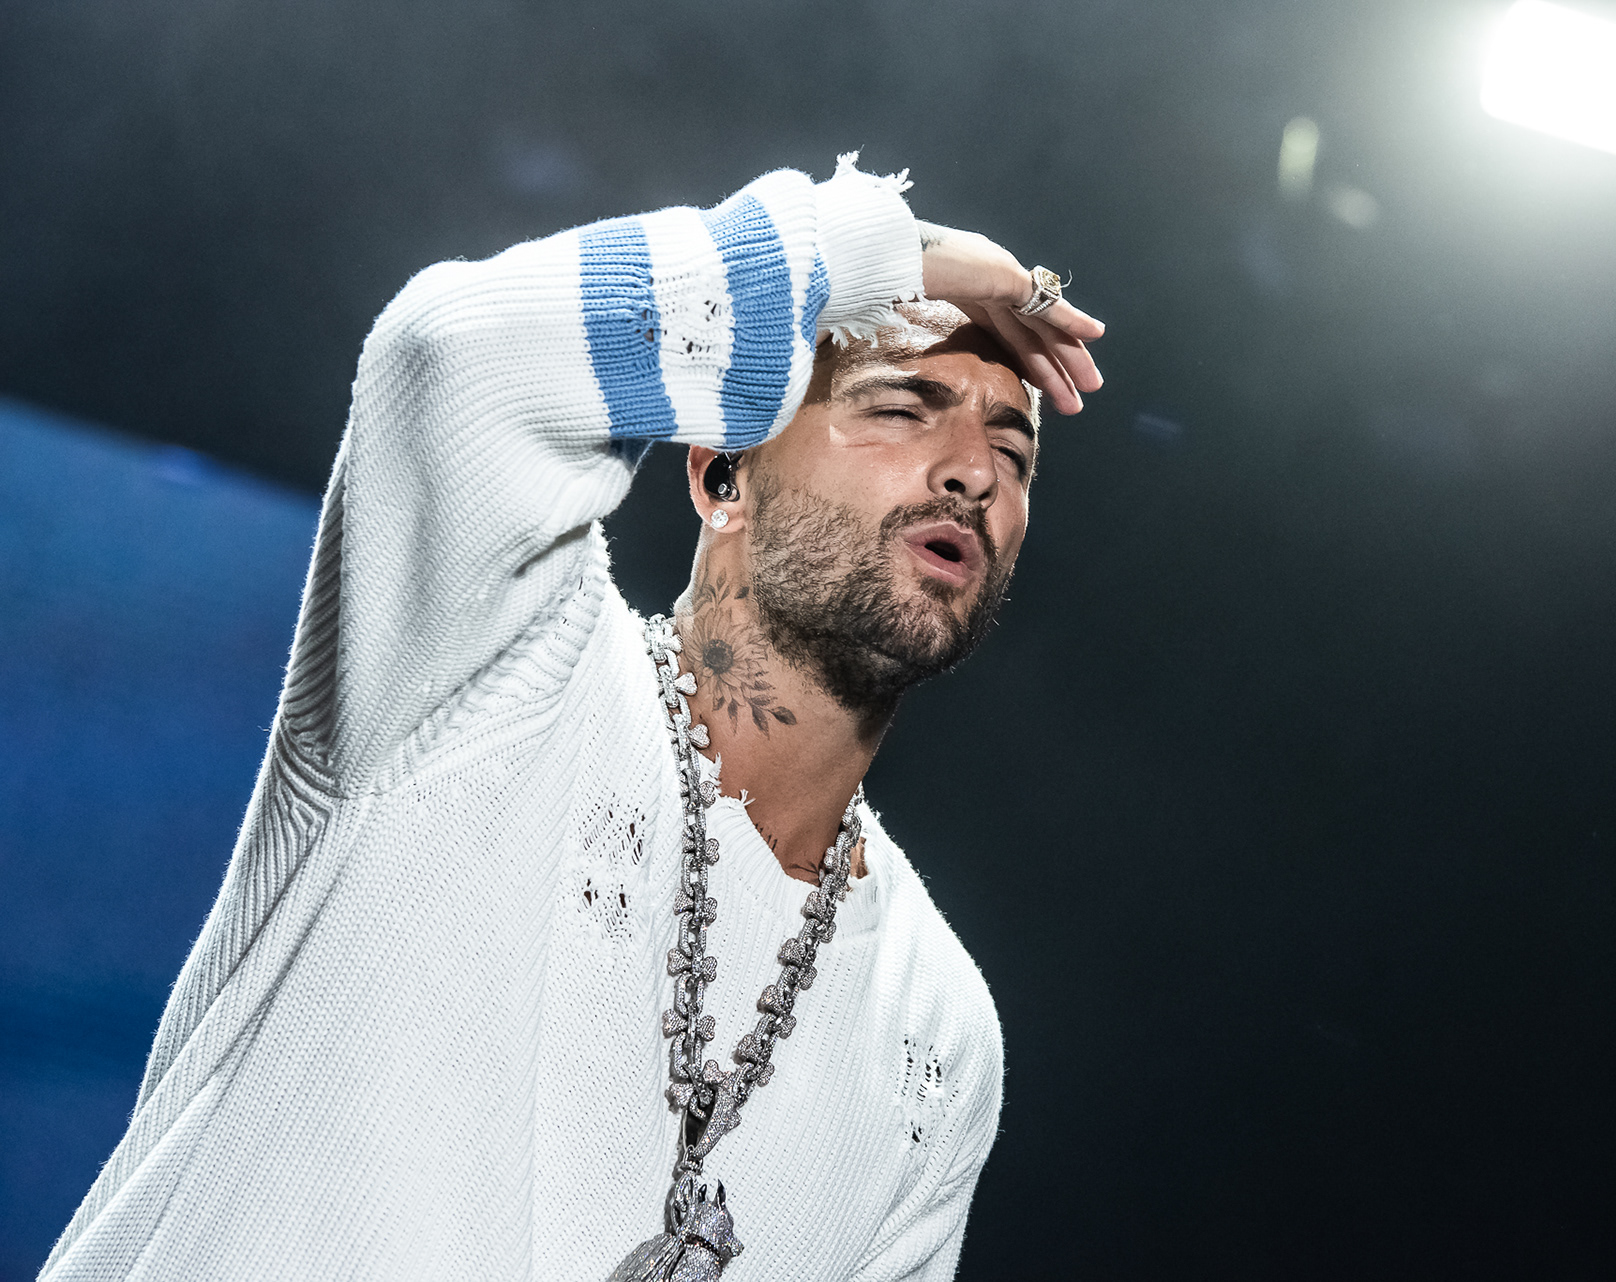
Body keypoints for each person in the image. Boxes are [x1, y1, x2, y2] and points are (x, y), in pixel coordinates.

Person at [40, 154, 1103, 1281]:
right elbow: (450, 356)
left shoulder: (938, 1031)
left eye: (1012, 451)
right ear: (723, 474)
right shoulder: (494, 655)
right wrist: (878, 246)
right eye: (901, 406)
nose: (972, 473)